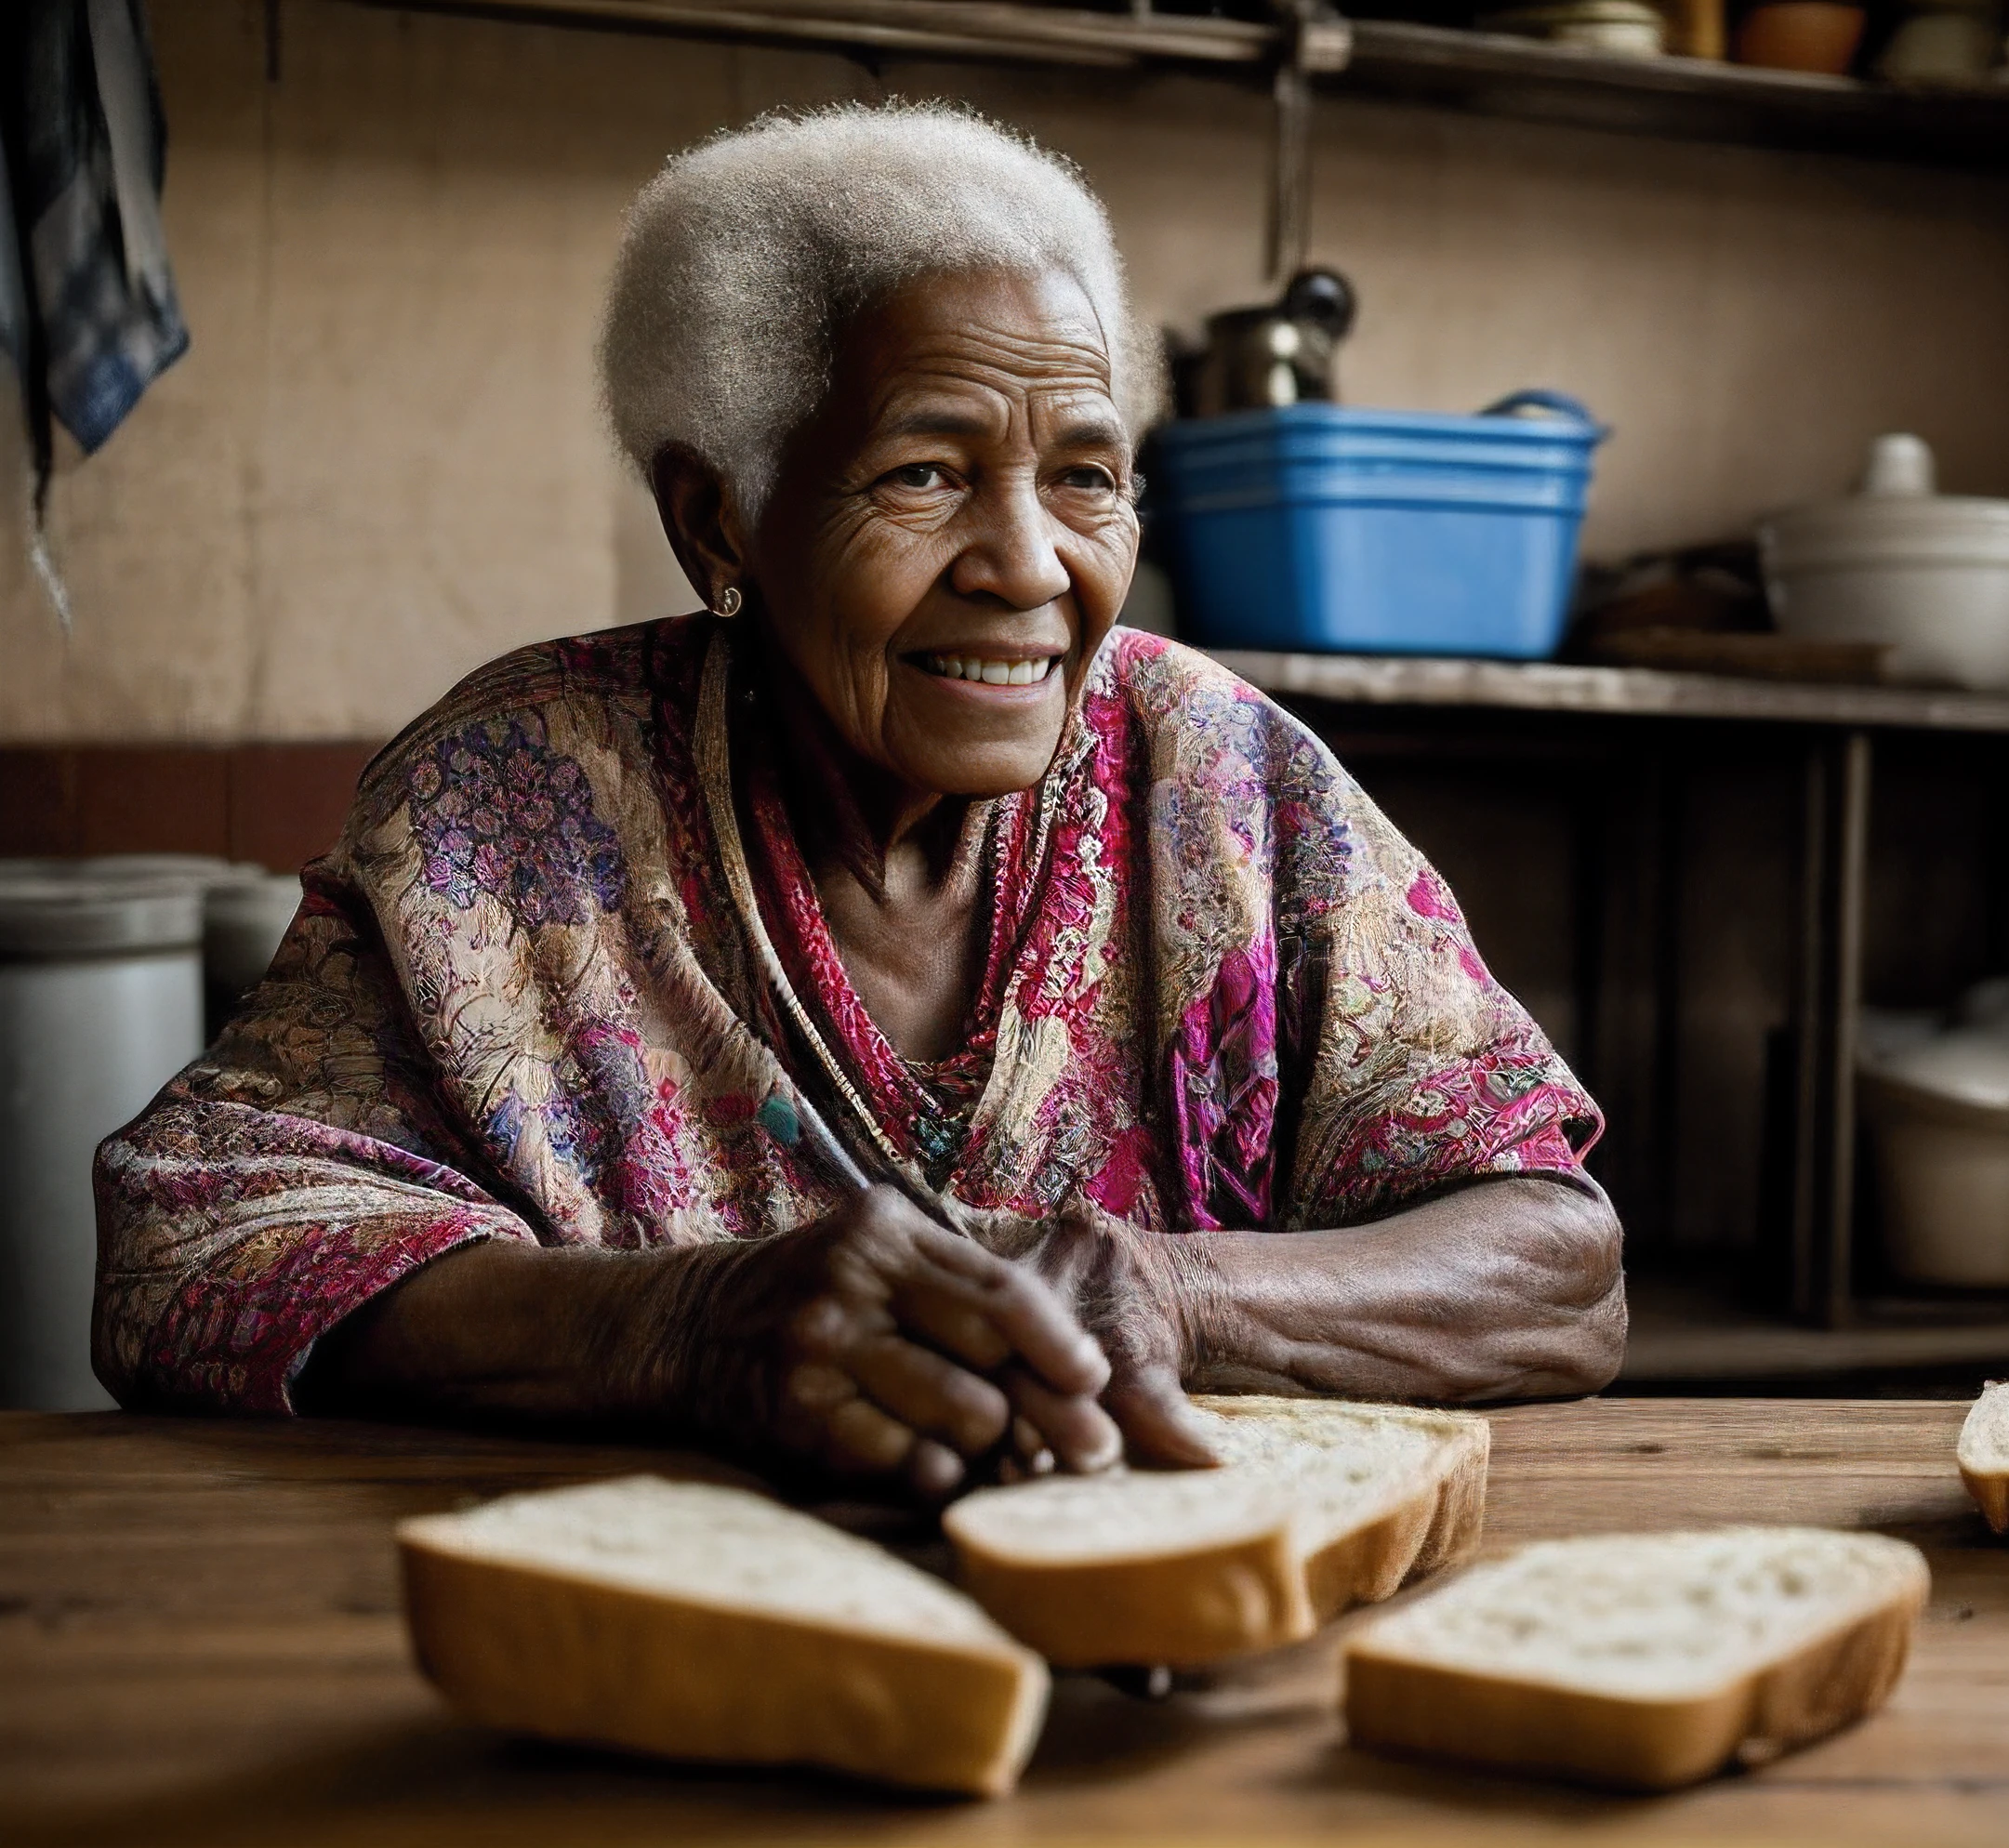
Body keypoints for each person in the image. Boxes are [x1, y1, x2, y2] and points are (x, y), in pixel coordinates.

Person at [91, 103, 1624, 1498]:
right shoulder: (512, 800)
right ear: (719, 523)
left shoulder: (1220, 775)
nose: (1030, 566)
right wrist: (688, 1322)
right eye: (923, 475)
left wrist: (1175, 1290)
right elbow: (190, 1241)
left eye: (1087, 477)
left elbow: (1559, 1263)